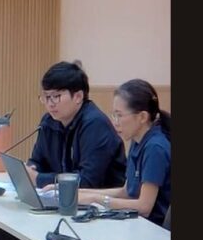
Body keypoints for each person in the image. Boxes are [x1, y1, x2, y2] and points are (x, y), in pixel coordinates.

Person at [67, 80, 171, 225]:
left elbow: (144, 207)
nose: (115, 122)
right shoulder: (137, 140)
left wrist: (95, 199)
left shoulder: (155, 148)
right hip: (136, 223)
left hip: (154, 229)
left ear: (142, 117)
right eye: (113, 115)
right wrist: (80, 192)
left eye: (119, 115)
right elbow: (127, 192)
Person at [26, 61, 127, 189]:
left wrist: (38, 179)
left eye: (56, 96)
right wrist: (31, 169)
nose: (50, 103)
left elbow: (88, 181)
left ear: (78, 97)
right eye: (46, 97)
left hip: (102, 199)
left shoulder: (95, 124)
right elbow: (38, 161)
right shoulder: (48, 121)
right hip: (64, 197)